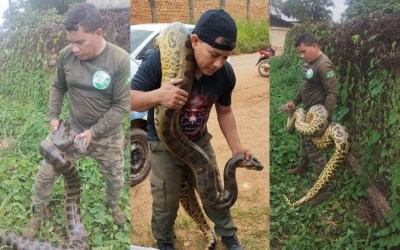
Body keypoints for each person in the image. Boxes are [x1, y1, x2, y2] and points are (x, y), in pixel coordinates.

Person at [131, 9, 249, 250]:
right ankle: (164, 241)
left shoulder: (225, 74)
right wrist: (158, 95)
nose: (219, 64)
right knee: (166, 200)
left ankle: (227, 234)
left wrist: (236, 149)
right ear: (194, 41)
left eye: (226, 57)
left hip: (198, 141)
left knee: (213, 192)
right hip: (163, 145)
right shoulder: (158, 61)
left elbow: (224, 112)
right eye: (214, 54)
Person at [22, 3, 130, 238]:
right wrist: (53, 116)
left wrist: (94, 132)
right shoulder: (66, 55)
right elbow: (58, 87)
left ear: (98, 33)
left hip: (107, 135)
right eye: (71, 42)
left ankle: (112, 204)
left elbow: (122, 105)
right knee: (46, 170)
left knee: (115, 176)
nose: (74, 48)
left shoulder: (120, 60)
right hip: (73, 129)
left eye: (80, 42)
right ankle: (38, 212)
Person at [284, 32, 338, 205]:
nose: (302, 55)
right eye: (300, 52)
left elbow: (332, 92)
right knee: (303, 140)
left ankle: (323, 190)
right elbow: (304, 86)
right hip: (307, 112)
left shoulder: (324, 65)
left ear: (314, 46)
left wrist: (325, 118)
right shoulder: (309, 63)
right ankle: (303, 165)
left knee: (315, 150)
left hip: (317, 117)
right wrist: (294, 101)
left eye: (304, 51)